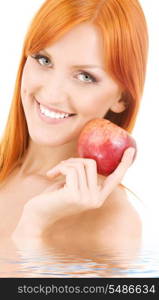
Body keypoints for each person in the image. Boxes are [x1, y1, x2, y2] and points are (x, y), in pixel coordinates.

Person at [0, 0, 148, 257]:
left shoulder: (115, 227)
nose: (52, 93)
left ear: (122, 98)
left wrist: (33, 229)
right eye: (43, 59)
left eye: (85, 77)